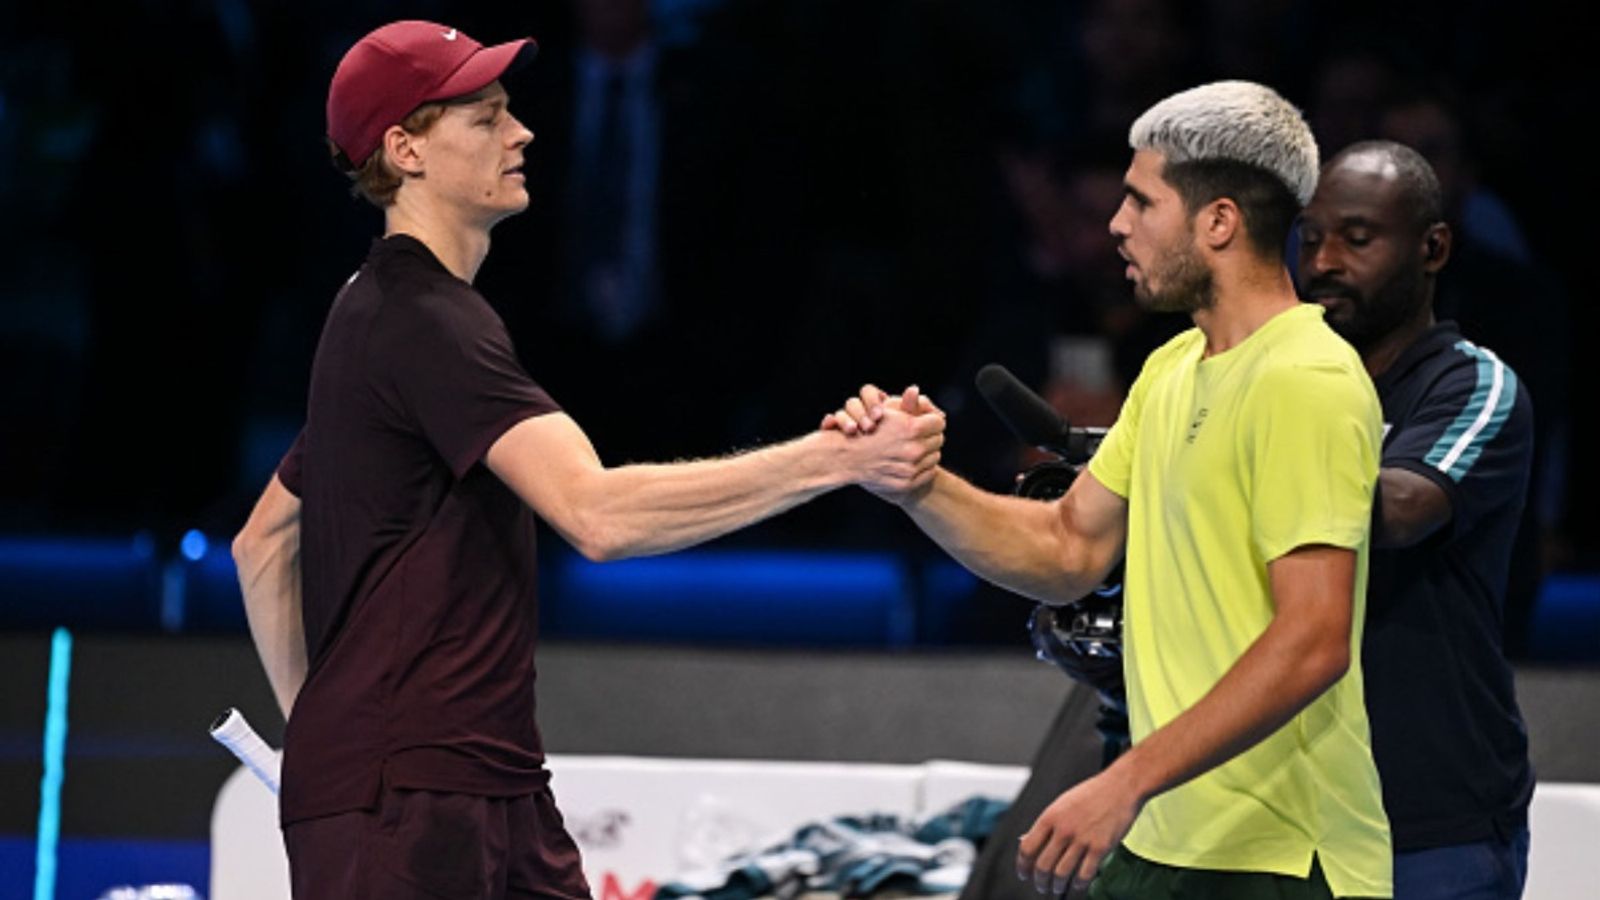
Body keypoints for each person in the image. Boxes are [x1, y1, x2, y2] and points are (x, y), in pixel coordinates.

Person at [229, 20, 945, 900]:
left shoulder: (382, 315)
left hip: (474, 786)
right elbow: (598, 516)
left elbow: (262, 543)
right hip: (414, 800)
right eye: (486, 118)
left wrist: (323, 749)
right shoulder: (423, 322)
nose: (521, 132)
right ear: (405, 151)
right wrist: (837, 460)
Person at [827, 80, 1391, 899]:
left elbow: (1313, 640)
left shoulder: (1306, 378)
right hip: (1165, 842)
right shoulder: (1172, 368)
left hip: (1280, 859)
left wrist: (1124, 779)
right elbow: (1066, 549)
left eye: (1142, 201)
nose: (1116, 224)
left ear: (1219, 222)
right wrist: (914, 483)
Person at [1298, 140, 1535, 900]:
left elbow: (1399, 509)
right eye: (1310, 239)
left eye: (1357, 238)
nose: (1324, 262)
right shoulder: (1285, 387)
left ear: (1432, 248)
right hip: (1292, 820)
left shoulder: (1473, 383)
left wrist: (1229, 464)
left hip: (1435, 828)